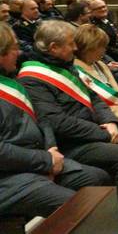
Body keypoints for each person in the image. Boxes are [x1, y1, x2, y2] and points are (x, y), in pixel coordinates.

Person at [18, 20, 118, 226]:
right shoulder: (32, 77)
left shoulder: (64, 65)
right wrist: (103, 133)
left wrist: (109, 122)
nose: (75, 48)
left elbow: (94, 98)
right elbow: (57, 122)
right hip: (71, 142)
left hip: (95, 131)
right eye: (70, 43)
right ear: (54, 47)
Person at [0, 23, 110, 220]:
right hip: (9, 176)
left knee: (97, 178)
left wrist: (50, 149)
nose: (19, 52)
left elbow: (41, 119)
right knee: (78, 206)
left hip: (36, 158)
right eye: (14, 48)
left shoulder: (8, 79)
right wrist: (44, 161)